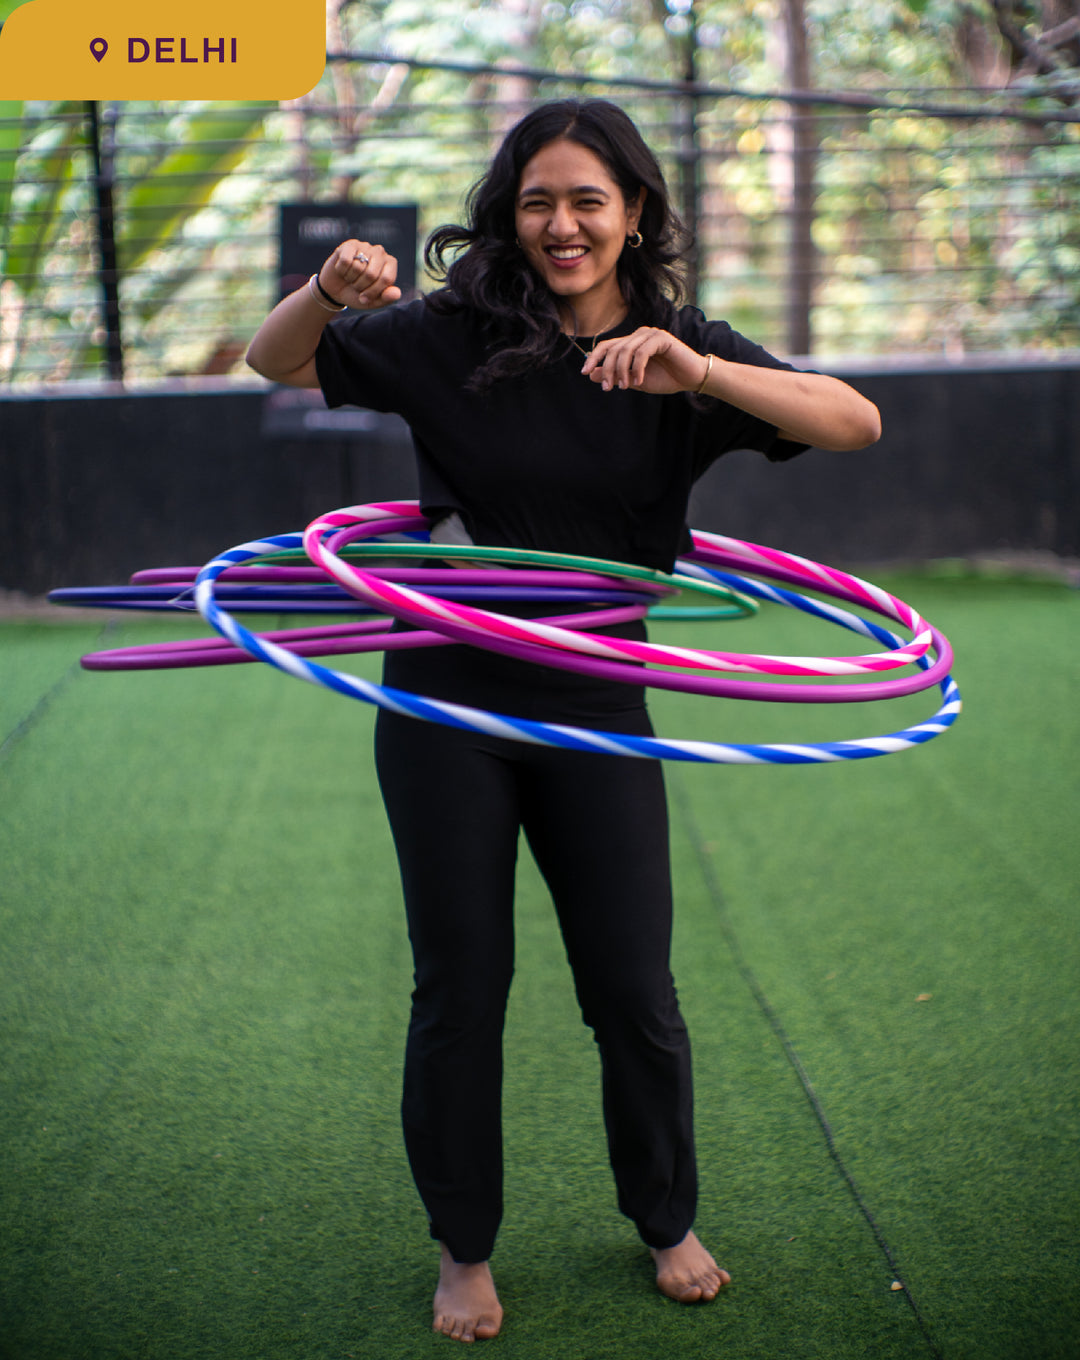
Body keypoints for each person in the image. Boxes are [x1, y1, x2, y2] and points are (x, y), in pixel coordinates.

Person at [246, 98, 880, 1345]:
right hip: (443, 695)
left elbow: (855, 420)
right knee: (461, 984)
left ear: (634, 210)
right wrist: (325, 287)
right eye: (539, 200)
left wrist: (698, 370)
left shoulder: (681, 350)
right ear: (509, 211)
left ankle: (666, 1217)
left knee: (633, 985)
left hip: (597, 703)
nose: (562, 224)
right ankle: (463, 1247)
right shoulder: (450, 332)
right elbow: (276, 361)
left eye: (589, 199)